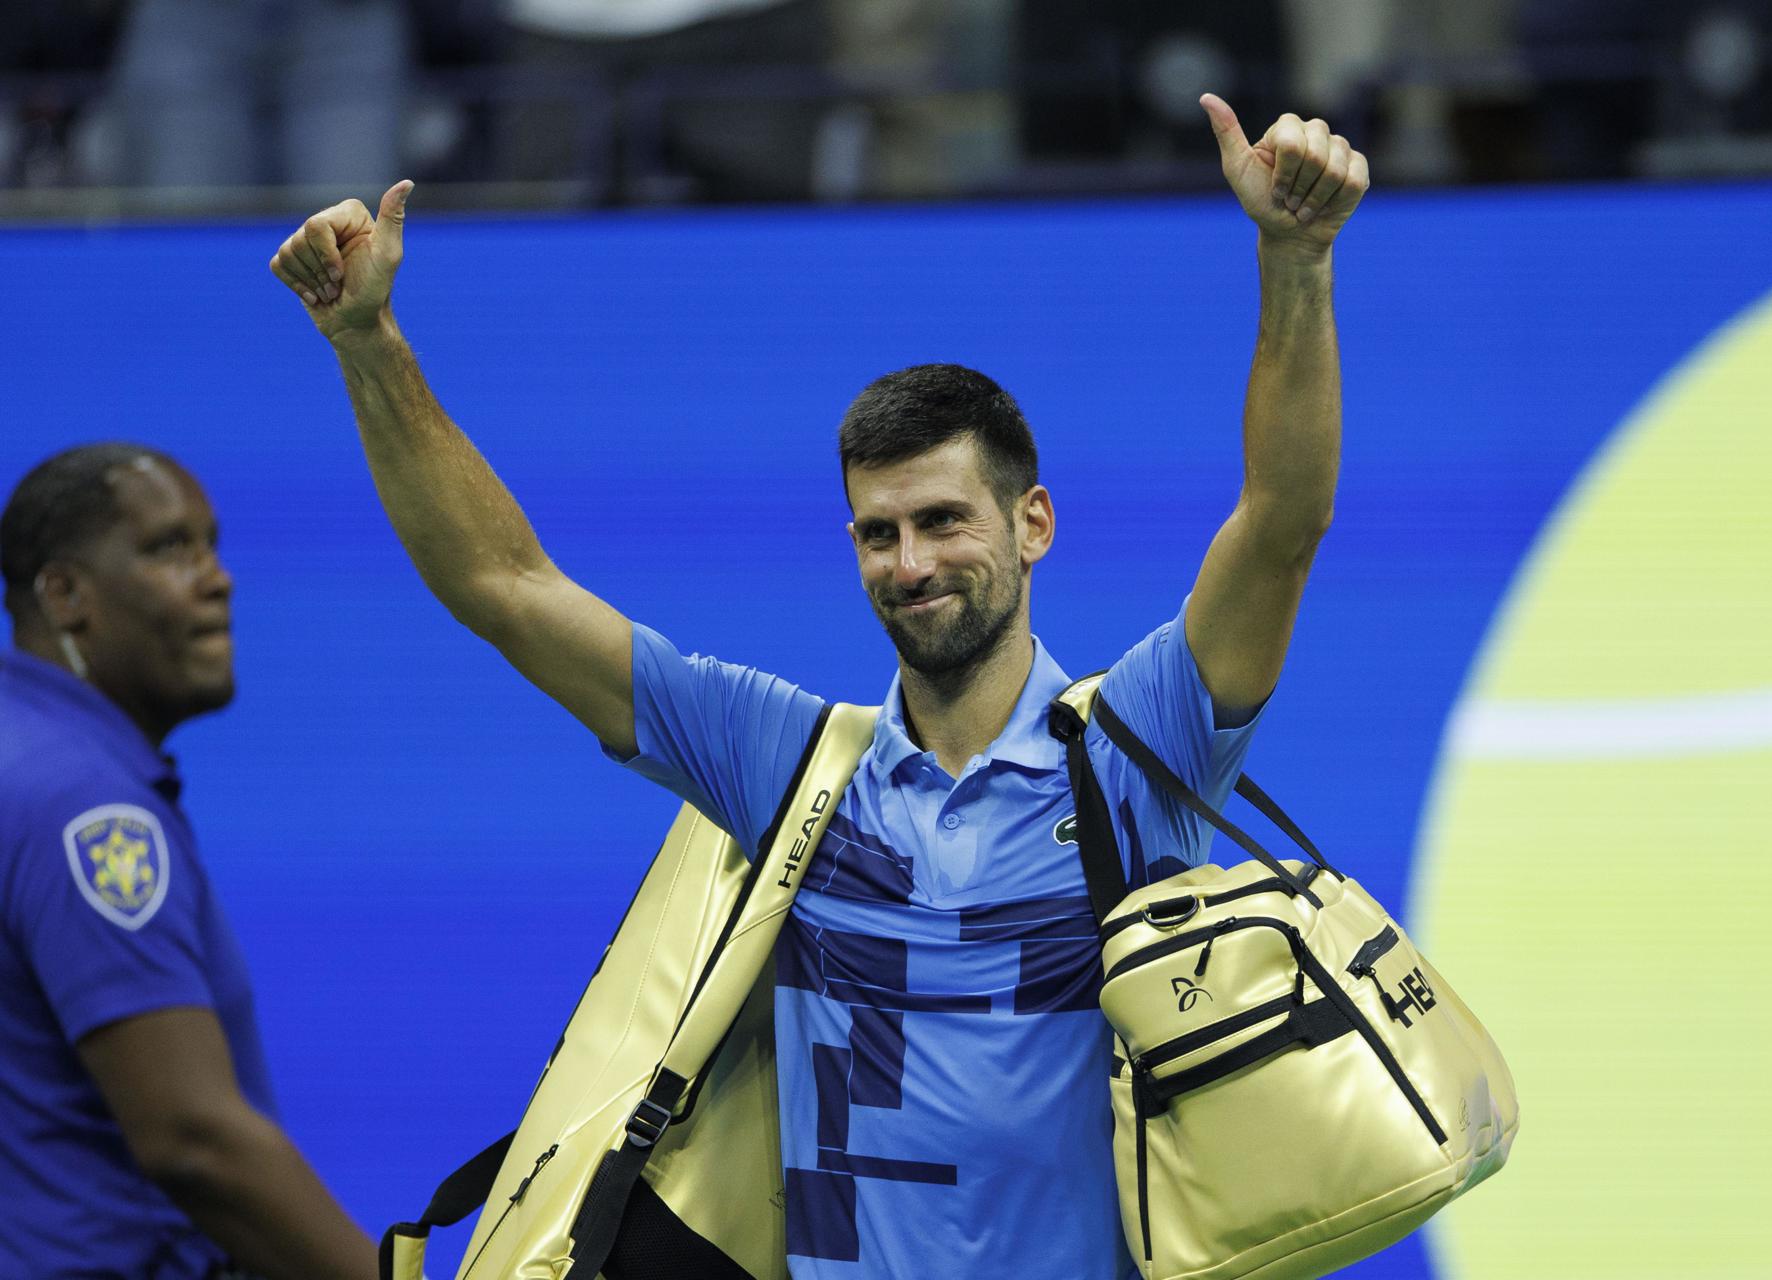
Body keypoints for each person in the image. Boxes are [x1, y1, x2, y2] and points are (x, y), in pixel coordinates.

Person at [271, 93, 1366, 1278]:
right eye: (877, 532)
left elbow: (1282, 521)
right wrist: (368, 344)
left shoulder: (1136, 748)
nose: (911, 564)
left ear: (1032, 522)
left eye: (945, 520)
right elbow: (505, 586)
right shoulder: (784, 763)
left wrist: (1294, 257)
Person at [0, 445, 378, 1279]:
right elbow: (194, 1139)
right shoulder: (86, 809)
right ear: (64, 595)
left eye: (211, 544)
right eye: (172, 549)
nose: (219, 579)